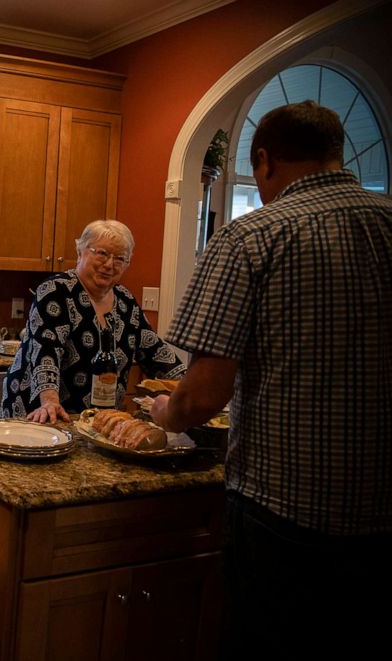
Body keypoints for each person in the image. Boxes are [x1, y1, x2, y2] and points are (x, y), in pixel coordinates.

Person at [149, 101, 392, 657]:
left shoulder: (250, 238)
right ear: (338, 152)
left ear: (263, 161)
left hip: (285, 512)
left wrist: (164, 414)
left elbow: (202, 396)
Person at [0, 219, 185, 422]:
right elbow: (46, 350)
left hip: (96, 420)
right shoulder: (56, 291)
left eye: (119, 258)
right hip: (41, 412)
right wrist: (49, 400)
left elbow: (156, 351)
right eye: (102, 253)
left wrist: (191, 387)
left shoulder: (126, 301)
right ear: (80, 252)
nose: (109, 264)